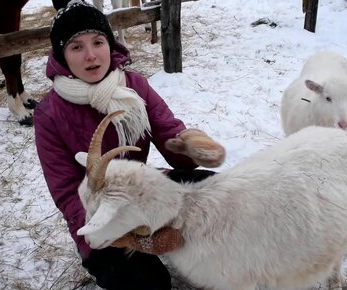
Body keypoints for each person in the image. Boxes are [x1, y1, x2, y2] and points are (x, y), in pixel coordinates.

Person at [34, 1, 225, 289]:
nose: (91, 56)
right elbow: (66, 193)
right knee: (149, 283)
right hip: (101, 215)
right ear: (62, 56)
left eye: (98, 42)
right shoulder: (50, 113)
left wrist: (190, 145)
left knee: (219, 193)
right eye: (76, 47)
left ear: (110, 44)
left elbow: (169, 133)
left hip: (143, 189)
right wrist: (126, 234)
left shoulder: (134, 86)